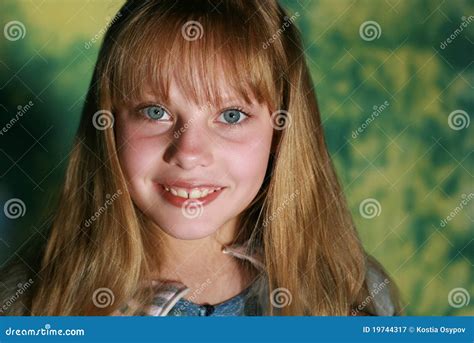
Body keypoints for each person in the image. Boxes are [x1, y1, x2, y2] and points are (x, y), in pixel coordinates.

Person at [0, 0, 401, 316]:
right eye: (155, 112)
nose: (189, 154)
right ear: (109, 125)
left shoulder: (356, 295)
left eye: (231, 116)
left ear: (280, 132)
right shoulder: (28, 306)